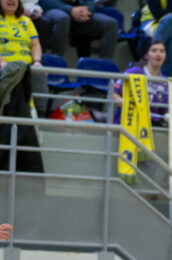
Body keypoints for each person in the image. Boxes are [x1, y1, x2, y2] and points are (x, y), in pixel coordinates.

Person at [0, 0, 44, 173]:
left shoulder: (26, 21)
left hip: (25, 76)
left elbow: (35, 44)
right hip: (4, 75)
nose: (11, 0)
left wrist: (37, 61)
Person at [38, 0, 118, 59]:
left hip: (80, 12)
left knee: (110, 23)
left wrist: (86, 11)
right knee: (62, 18)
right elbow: (45, 1)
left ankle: (105, 69)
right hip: (56, 10)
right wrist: (71, 10)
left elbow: (89, 3)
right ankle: (56, 61)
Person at [115, 41, 169, 126]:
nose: (158, 54)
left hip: (152, 127)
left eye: (162, 51)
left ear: (165, 56)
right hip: (128, 123)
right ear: (146, 55)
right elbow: (113, 94)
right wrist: (130, 107)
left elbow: (165, 111)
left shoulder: (166, 82)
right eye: (154, 50)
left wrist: (167, 116)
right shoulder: (134, 72)